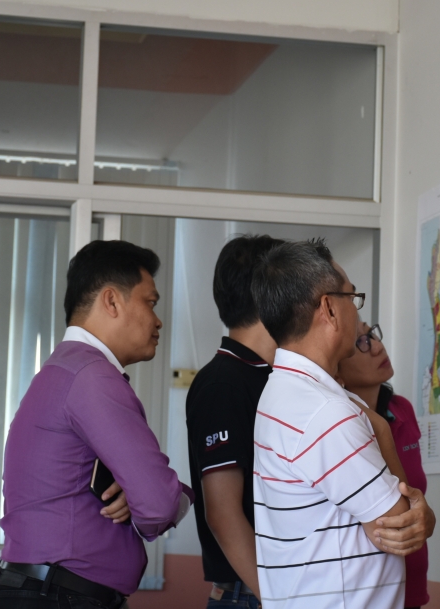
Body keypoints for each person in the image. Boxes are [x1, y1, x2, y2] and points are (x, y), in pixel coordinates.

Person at [0, 240, 193, 609]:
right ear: (111, 301)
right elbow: (159, 505)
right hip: (59, 596)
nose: (158, 320)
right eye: (150, 302)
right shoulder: (92, 376)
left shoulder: (63, 369)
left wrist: (139, 492)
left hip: (42, 589)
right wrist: (178, 496)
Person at [251, 239, 435, 608]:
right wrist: (381, 431)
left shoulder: (285, 391)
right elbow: (403, 524)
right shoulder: (324, 412)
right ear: (330, 309)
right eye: (352, 297)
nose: (356, 309)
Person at [185, 235, 283, 608]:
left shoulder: (271, 375)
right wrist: (276, 599)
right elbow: (223, 514)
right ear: (269, 293)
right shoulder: (223, 382)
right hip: (253, 594)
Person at [337, 319, 430, 609]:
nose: (377, 347)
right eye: (361, 343)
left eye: (372, 335)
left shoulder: (401, 409)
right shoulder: (338, 425)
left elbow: (416, 502)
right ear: (336, 370)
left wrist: (425, 518)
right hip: (367, 591)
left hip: (413, 582)